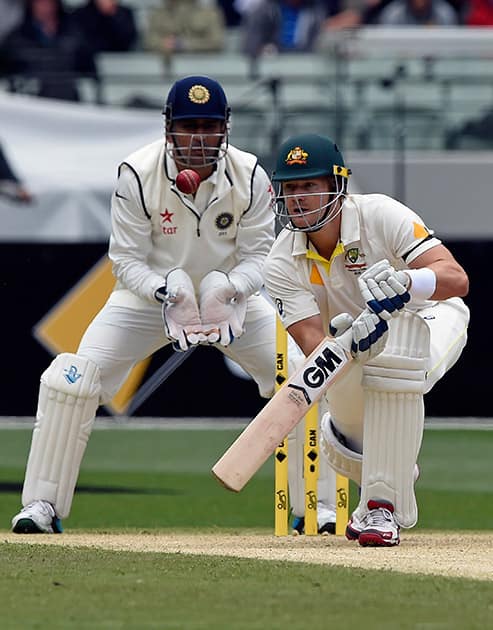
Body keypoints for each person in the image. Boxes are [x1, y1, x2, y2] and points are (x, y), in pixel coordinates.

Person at [10, 76, 370, 535]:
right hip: (148, 300)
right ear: (169, 128)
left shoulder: (251, 176)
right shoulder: (136, 173)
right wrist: (168, 293)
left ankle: (317, 507)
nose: (199, 138)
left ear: (225, 129)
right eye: (188, 126)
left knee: (306, 369)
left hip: (233, 300)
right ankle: (42, 506)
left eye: (209, 126)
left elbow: (262, 255)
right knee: (72, 379)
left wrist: (230, 289)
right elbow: (125, 260)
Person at [264, 133, 470, 546]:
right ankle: (391, 471)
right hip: (350, 351)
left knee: (400, 360)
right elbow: (313, 346)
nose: (299, 198)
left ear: (337, 185)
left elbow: (457, 280)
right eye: (291, 188)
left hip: (429, 317)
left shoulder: (381, 213)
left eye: (309, 186)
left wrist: (407, 282)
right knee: (362, 398)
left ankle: (380, 510)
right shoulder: (278, 263)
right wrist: (355, 343)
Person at [0, 0, 96, 101]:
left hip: (69, 102)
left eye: (49, 2)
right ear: (31, 5)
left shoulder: (75, 34)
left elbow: (88, 70)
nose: (45, 6)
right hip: (30, 103)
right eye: (40, 2)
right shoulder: (16, 39)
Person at [145, 0, 225, 58]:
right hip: (165, 64)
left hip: (202, 65)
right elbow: (149, 40)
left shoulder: (210, 14)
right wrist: (164, 43)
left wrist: (186, 45)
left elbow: (216, 42)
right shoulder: (157, 14)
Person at [71, 0, 138, 55]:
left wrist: (113, 14)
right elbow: (82, 43)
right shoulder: (80, 14)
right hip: (90, 63)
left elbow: (128, 41)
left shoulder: (125, 13)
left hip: (121, 61)